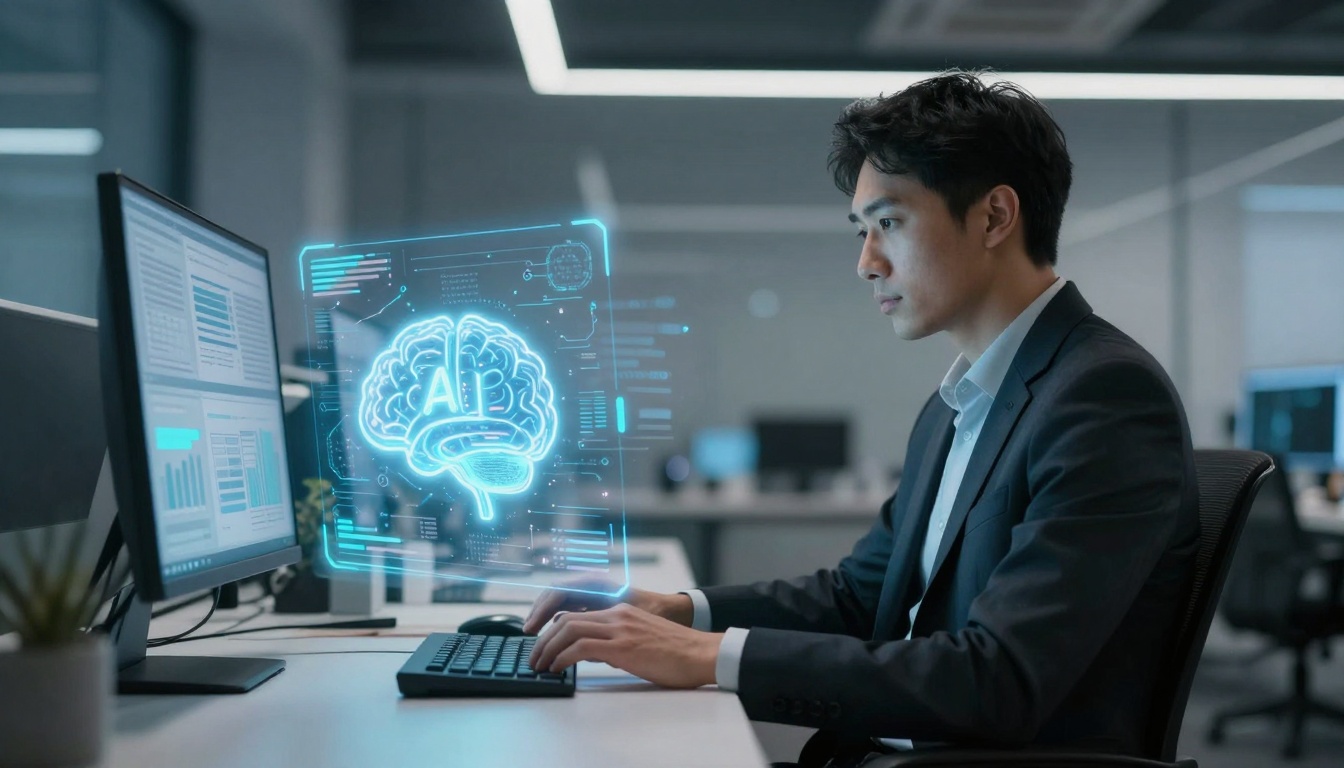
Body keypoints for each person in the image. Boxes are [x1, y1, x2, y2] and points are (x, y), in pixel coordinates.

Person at [524, 70, 1199, 764]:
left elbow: (997, 680)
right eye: (862, 231)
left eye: (890, 224)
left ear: (995, 217)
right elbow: (859, 597)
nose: (866, 263)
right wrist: (678, 611)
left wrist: (709, 655)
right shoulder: (957, 406)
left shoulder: (1104, 397)